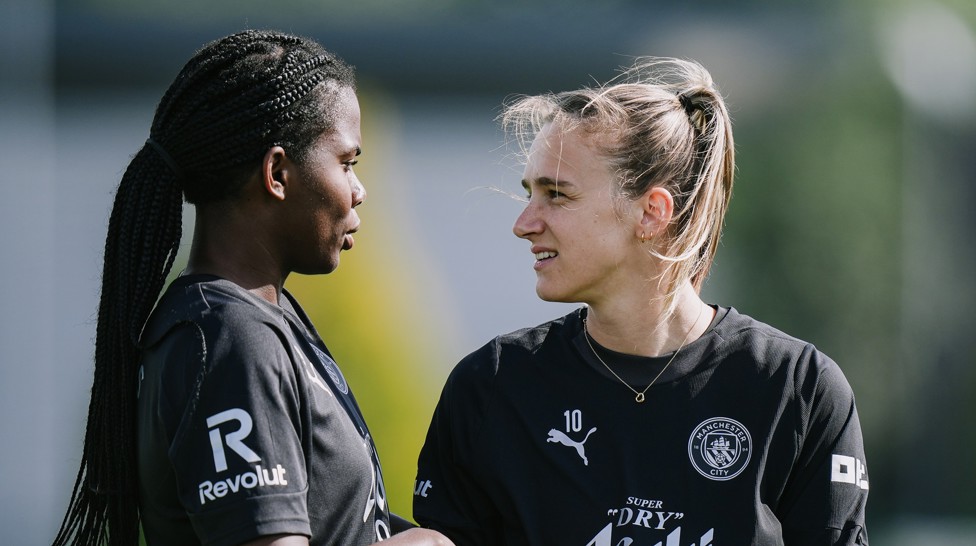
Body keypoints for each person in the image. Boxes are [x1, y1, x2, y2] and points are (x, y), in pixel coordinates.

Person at [413, 58, 869, 545]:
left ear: (651, 212)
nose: (524, 223)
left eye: (557, 195)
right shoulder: (491, 387)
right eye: (530, 192)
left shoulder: (797, 388)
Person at [52, 30, 453, 546]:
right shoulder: (227, 339)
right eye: (347, 163)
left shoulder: (262, 321)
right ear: (278, 172)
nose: (359, 190)